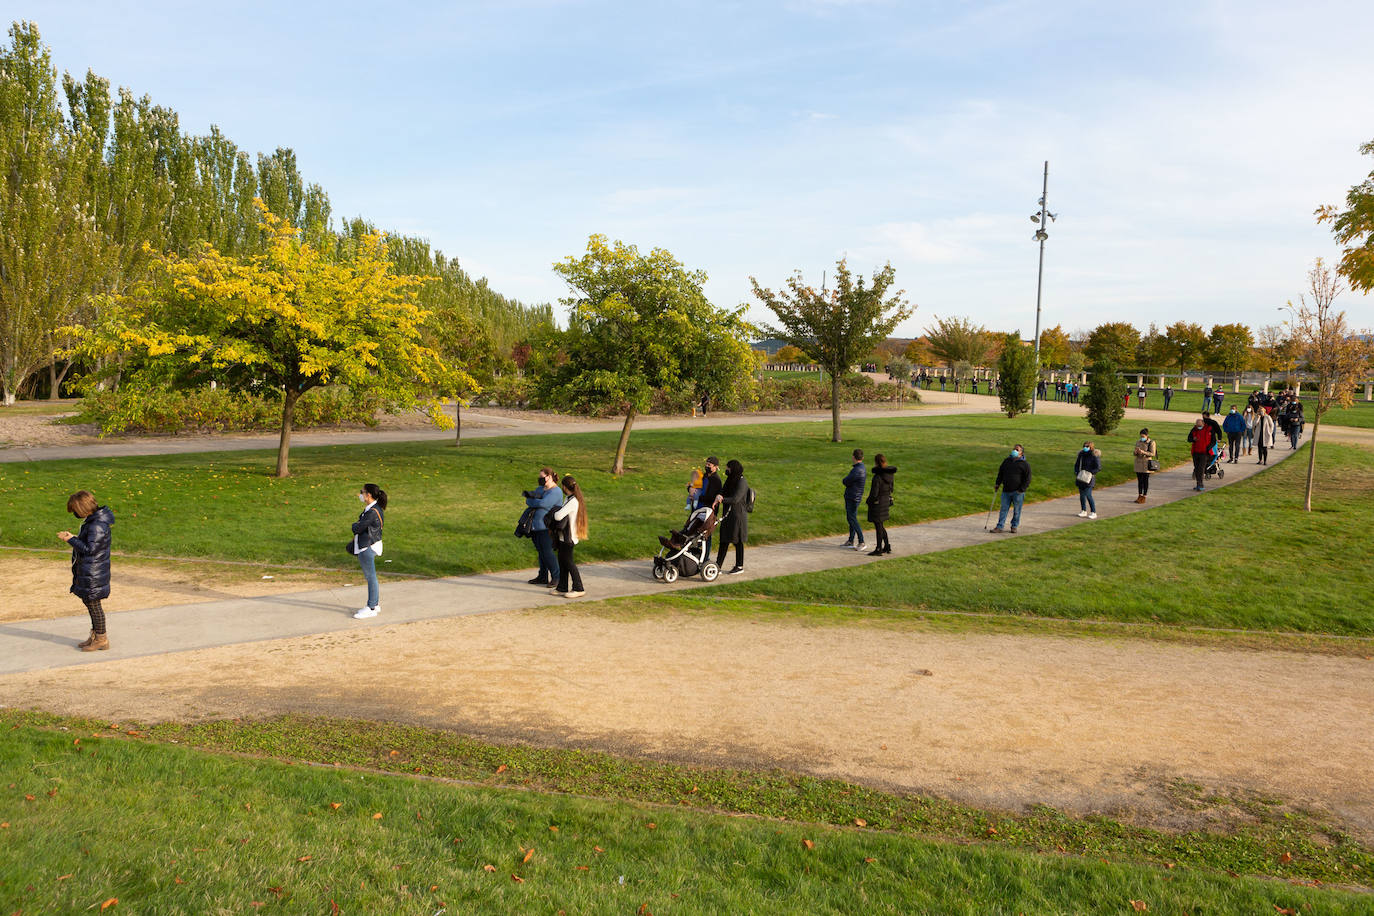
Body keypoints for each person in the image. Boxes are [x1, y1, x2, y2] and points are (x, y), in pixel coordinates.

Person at [58, 490, 114, 651]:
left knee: (94, 605)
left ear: (81, 508)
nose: (74, 514)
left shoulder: (97, 525)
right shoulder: (93, 522)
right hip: (91, 570)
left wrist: (71, 539)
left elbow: (90, 549)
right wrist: (74, 538)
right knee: (90, 603)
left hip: (94, 573)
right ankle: (96, 636)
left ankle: (102, 639)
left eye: (75, 510)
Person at [350, 483, 386, 619]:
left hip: (367, 547)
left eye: (362, 492)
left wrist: (354, 525)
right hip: (370, 544)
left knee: (371, 577)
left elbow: (357, 528)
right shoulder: (373, 508)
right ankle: (374, 604)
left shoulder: (372, 512)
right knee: (371, 577)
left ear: (368, 495)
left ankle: (371, 607)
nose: (360, 494)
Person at [524, 467, 562, 588]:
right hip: (535, 527)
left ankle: (557, 577)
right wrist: (533, 500)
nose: (539, 480)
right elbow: (529, 500)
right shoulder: (541, 489)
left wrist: (534, 501)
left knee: (547, 552)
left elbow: (543, 503)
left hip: (547, 527)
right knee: (541, 552)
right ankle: (543, 576)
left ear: (549, 477)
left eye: (542, 477)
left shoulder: (556, 492)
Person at [552, 475, 588, 598]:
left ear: (565, 487)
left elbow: (558, 516)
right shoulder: (569, 498)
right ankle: (562, 587)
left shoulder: (573, 502)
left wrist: (554, 511)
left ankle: (579, 588)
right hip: (564, 537)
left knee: (568, 562)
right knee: (562, 562)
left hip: (569, 538)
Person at [714, 459, 749, 573]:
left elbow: (735, 499)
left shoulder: (742, 482)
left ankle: (739, 566)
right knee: (724, 540)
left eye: (728, 468)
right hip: (728, 515)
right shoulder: (730, 480)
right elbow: (723, 491)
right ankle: (718, 566)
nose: (726, 470)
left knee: (737, 541)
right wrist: (719, 495)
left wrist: (722, 499)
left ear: (733, 468)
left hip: (737, 516)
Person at [991, 445, 1030, 533]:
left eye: (1017, 450)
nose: (1014, 451)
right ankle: (1000, 526)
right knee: (1003, 509)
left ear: (1021, 453)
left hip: (1018, 492)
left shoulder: (1024, 464)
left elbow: (1028, 479)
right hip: (1006, 490)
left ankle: (1014, 526)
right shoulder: (1006, 461)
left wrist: (1022, 489)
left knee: (1017, 510)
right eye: (1014, 449)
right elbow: (1000, 473)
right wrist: (997, 483)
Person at [865, 453, 896, 555]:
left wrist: (868, 501)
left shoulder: (877, 477)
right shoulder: (890, 475)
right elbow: (891, 489)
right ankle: (886, 546)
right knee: (880, 525)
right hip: (885, 501)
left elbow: (874, 493)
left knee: (878, 527)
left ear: (876, 462)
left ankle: (878, 549)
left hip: (877, 504)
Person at [840, 448, 867, 550]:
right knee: (851, 518)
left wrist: (844, 480)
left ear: (853, 457)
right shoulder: (862, 467)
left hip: (852, 497)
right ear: (862, 458)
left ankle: (861, 541)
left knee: (852, 518)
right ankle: (851, 540)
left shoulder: (856, 470)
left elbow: (846, 481)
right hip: (856, 496)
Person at [697, 457, 722, 558]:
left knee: (707, 536)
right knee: (696, 533)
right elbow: (697, 487)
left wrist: (699, 496)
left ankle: (705, 558)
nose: (706, 466)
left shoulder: (716, 480)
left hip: (709, 511)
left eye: (709, 465)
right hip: (699, 509)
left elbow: (712, 497)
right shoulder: (704, 477)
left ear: (715, 467)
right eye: (706, 464)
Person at [1073, 441, 1101, 519]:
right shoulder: (1081, 454)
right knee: (1082, 495)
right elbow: (1077, 464)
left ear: (1091, 447)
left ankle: (1093, 512)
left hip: (1089, 478)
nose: (1085, 447)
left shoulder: (1094, 455)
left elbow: (1098, 467)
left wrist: (1090, 473)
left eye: (1087, 446)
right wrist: (1077, 472)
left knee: (1088, 495)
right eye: (1084, 446)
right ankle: (1083, 510)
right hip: (1081, 477)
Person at [1187, 419, 1214, 491]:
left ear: (1203, 423)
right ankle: (1198, 484)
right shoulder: (1194, 429)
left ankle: (1200, 484)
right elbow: (1189, 439)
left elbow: (1213, 441)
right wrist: (1193, 439)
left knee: (1201, 468)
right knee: (1196, 468)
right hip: (1195, 452)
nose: (1198, 426)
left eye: (1199, 425)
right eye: (1197, 425)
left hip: (1204, 453)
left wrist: (1208, 448)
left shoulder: (1209, 429)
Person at [1132, 428, 1157, 503]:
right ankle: (1139, 495)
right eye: (1141, 436)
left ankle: (1144, 496)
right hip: (1138, 463)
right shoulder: (1138, 442)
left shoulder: (1151, 442)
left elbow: (1152, 453)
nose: (1142, 438)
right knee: (1139, 481)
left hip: (1146, 464)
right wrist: (1136, 452)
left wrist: (1143, 452)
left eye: (1143, 436)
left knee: (1145, 481)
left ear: (1147, 436)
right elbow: (1134, 453)